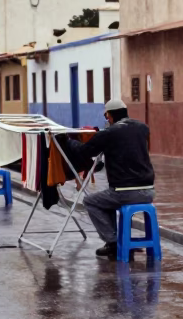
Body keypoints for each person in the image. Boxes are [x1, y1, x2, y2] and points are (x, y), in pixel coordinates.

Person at [58, 98, 155, 260]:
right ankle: (115, 243)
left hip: (125, 193)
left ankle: (113, 243)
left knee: (91, 201)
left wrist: (68, 142)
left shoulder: (108, 133)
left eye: (106, 116)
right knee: (106, 200)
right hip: (148, 191)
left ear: (109, 116)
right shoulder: (142, 128)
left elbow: (84, 152)